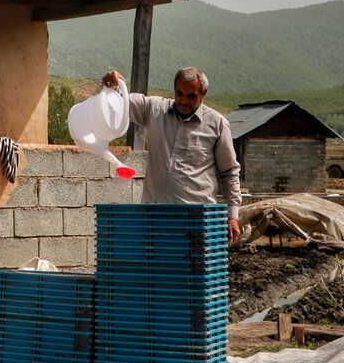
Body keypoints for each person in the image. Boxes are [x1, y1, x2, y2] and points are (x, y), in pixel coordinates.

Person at [103, 67, 242, 243]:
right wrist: (114, 86)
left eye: (191, 96)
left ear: (203, 93)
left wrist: (232, 216)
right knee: (157, 268)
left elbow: (229, 172)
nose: (184, 100)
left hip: (196, 221)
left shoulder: (217, 124)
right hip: (155, 218)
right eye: (180, 93)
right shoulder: (155, 110)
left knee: (191, 269)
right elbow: (121, 104)